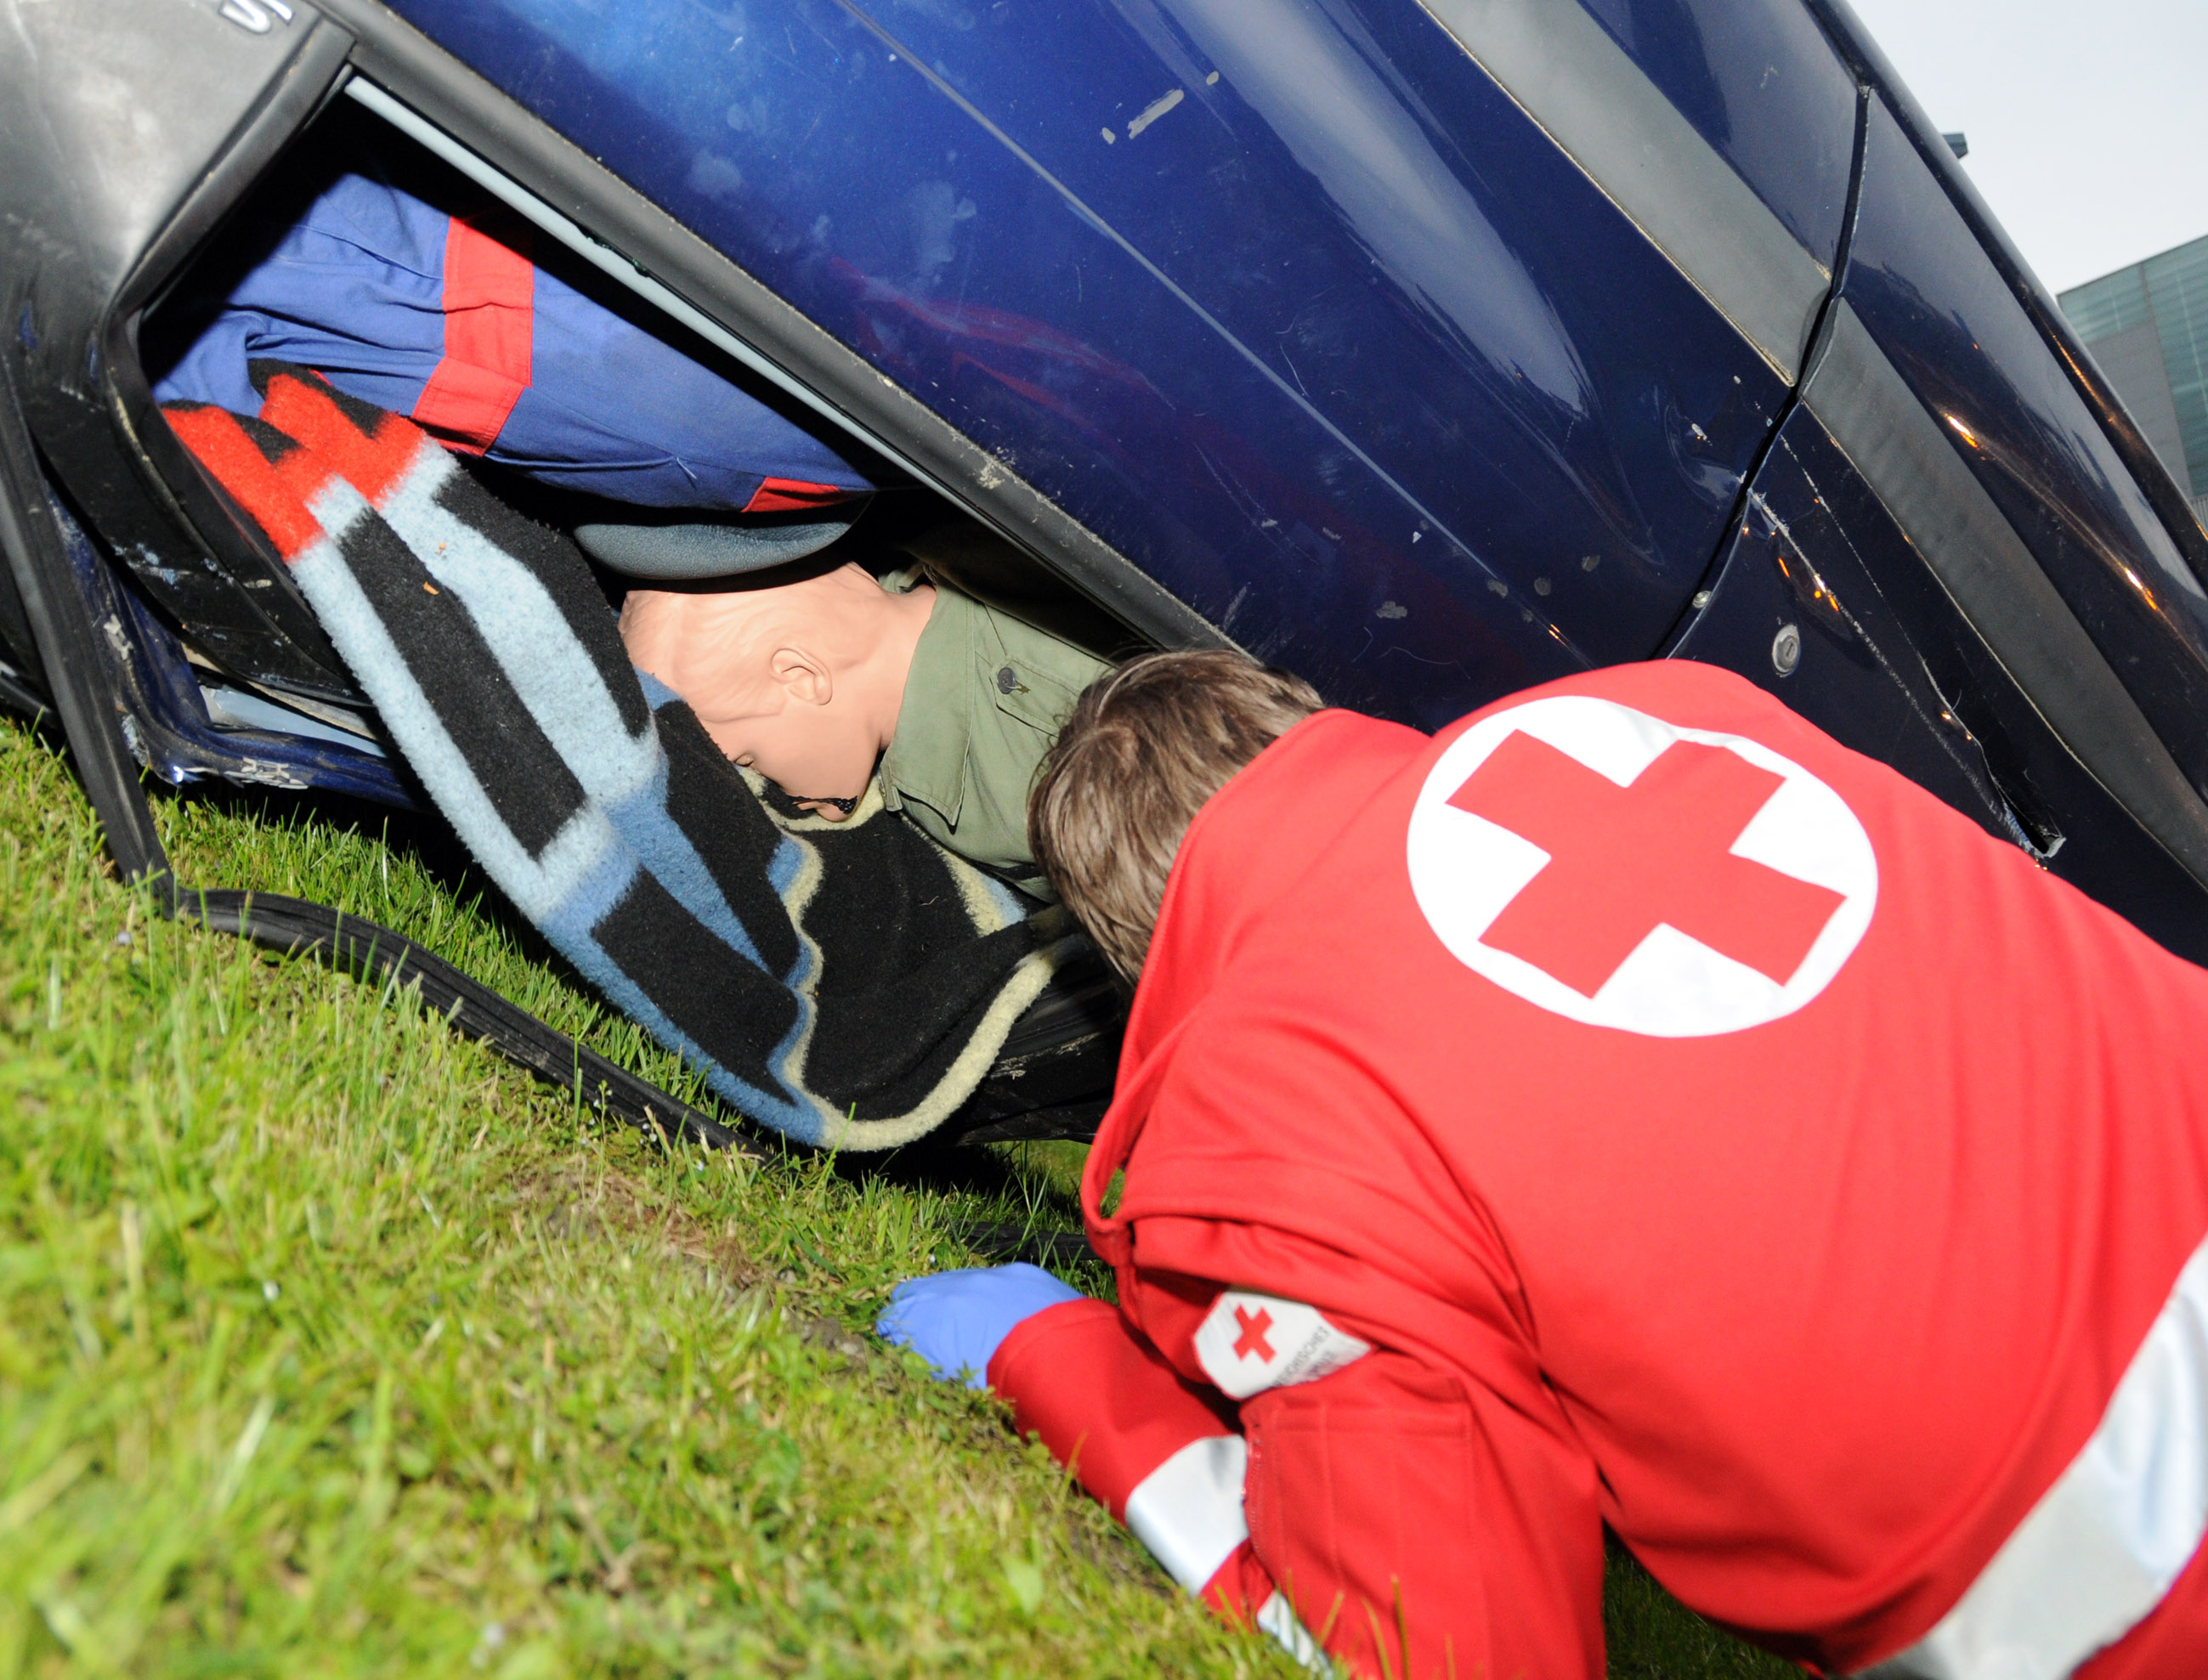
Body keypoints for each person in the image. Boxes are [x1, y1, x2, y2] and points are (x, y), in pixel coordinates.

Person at [878, 649, 2208, 1678]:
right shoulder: (1659, 707)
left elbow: (1429, 1636)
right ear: (1293, 713)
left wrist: (1055, 1358)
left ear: (1132, 948)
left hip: (2142, 1587)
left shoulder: (1272, 1105)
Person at [618, 534, 1112, 899]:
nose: (762, 789)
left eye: (748, 760)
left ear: (802, 678)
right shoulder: (936, 745)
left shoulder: (1042, 725)